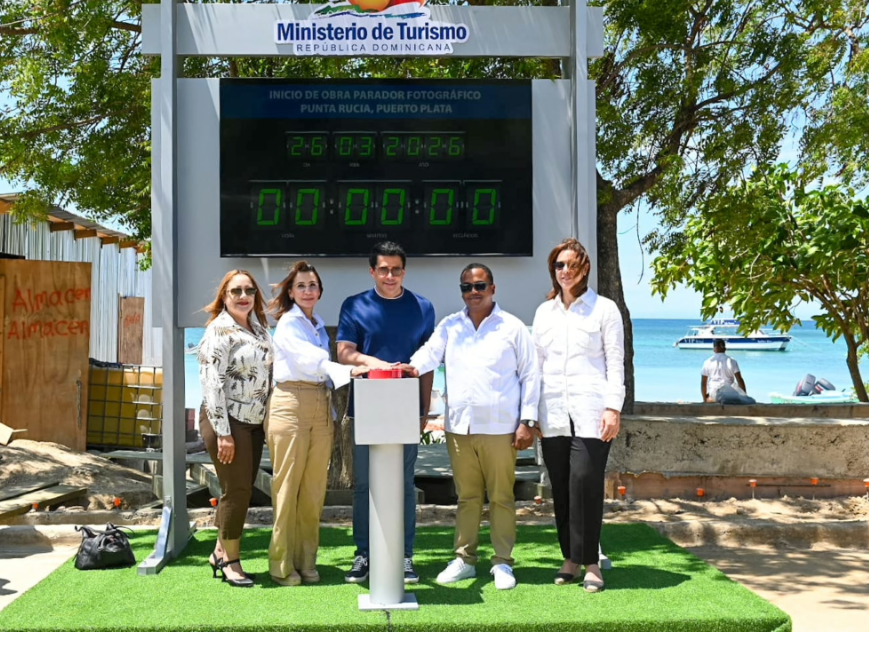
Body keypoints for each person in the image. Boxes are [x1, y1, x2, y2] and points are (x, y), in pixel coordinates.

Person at [403, 263, 540, 590]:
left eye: (480, 286)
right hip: (459, 428)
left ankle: (502, 562)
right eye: (467, 287)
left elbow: (531, 375)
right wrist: (405, 368)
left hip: (501, 428)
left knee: (501, 497)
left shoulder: (513, 327)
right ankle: (465, 559)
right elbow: (428, 355)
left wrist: (528, 421)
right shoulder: (450, 326)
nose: (473, 292)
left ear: (493, 288)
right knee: (467, 497)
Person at [337, 241, 435, 585]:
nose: (390, 275)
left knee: (403, 483)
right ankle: (364, 553)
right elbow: (344, 352)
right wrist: (375, 363)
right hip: (366, 406)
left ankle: (404, 555)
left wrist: (424, 409)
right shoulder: (354, 305)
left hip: (406, 409)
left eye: (396, 270)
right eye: (383, 269)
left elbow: (427, 363)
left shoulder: (423, 307)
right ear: (372, 271)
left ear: (403, 272)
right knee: (364, 483)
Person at [265, 261, 369, 586]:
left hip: (321, 405)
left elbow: (320, 370)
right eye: (301, 286)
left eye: (312, 285)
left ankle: (306, 562)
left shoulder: (318, 326)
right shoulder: (288, 324)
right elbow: (309, 360)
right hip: (290, 404)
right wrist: (347, 370)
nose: (307, 291)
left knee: (313, 489)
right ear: (291, 292)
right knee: (287, 489)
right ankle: (282, 566)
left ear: (320, 291)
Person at [531, 238, 625, 593]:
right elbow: (536, 367)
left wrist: (613, 408)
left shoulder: (604, 309)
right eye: (559, 265)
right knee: (561, 487)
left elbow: (615, 362)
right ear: (553, 270)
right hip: (552, 413)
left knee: (585, 482)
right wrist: (531, 414)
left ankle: (591, 563)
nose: (565, 271)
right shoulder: (544, 313)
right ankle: (569, 558)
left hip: (592, 413)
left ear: (584, 268)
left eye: (572, 265)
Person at [198, 269, 274, 588]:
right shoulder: (219, 330)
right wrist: (224, 433)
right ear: (225, 297)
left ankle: (219, 551)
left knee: (243, 489)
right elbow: (211, 384)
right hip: (228, 422)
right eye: (236, 291)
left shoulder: (258, 328)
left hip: (253, 423)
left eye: (249, 291)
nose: (244, 296)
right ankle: (231, 562)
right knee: (237, 491)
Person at [701, 339, 756, 404]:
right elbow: (739, 380)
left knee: (709, 397)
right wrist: (744, 396)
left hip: (714, 392)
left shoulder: (707, 362)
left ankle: (712, 400)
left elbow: (703, 383)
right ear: (725, 349)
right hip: (730, 393)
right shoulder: (732, 361)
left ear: (714, 349)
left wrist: (704, 400)